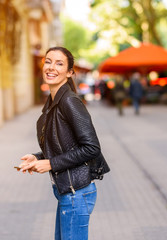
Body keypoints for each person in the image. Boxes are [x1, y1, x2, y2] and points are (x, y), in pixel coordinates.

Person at [18, 47, 110, 240]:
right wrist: (38, 157)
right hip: (68, 192)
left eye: (59, 64)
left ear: (69, 73)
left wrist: (51, 163)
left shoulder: (69, 102)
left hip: (77, 193)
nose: (51, 67)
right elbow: (64, 145)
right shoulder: (53, 102)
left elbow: (92, 147)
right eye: (48, 61)